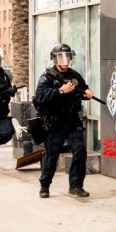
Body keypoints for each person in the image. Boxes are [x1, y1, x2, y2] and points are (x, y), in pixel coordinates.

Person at [32, 43, 93, 199]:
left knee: (79, 150)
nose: (65, 60)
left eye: (67, 57)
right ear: (55, 59)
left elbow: (82, 89)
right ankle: (44, 185)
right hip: (55, 122)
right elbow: (40, 97)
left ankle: (76, 186)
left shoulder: (74, 75)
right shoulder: (47, 77)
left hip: (72, 120)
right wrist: (60, 91)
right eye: (61, 57)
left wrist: (86, 93)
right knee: (52, 154)